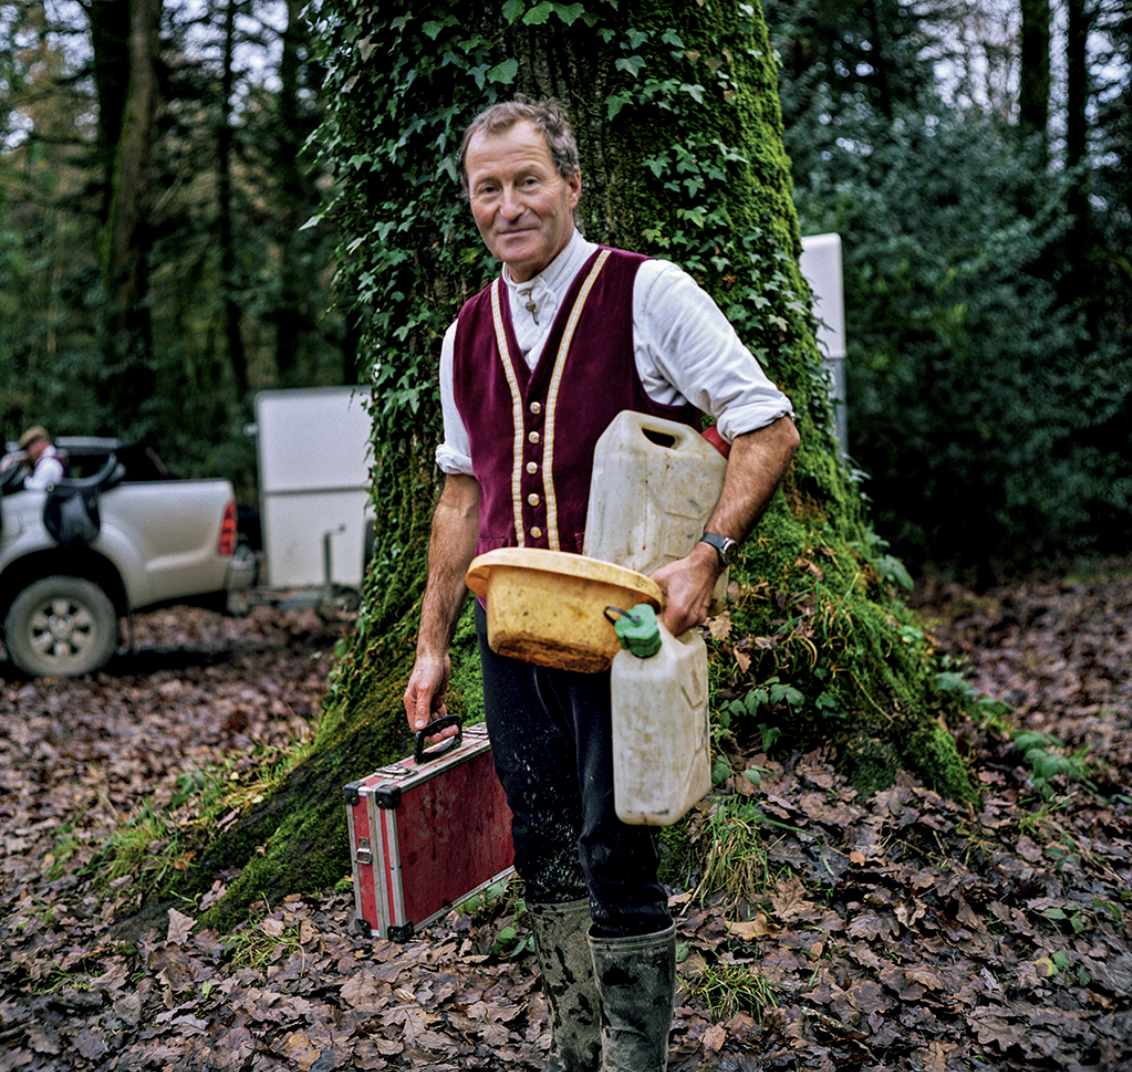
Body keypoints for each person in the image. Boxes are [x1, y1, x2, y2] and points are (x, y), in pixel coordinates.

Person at [402, 98, 799, 1072]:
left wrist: (706, 555)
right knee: (539, 840)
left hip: (622, 632)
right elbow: (460, 496)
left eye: (527, 180)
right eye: (486, 189)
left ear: (573, 184)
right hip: (510, 636)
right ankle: (577, 1043)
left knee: (616, 847)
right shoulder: (464, 333)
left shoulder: (647, 292)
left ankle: (634, 1055)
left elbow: (767, 424)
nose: (508, 206)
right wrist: (429, 645)